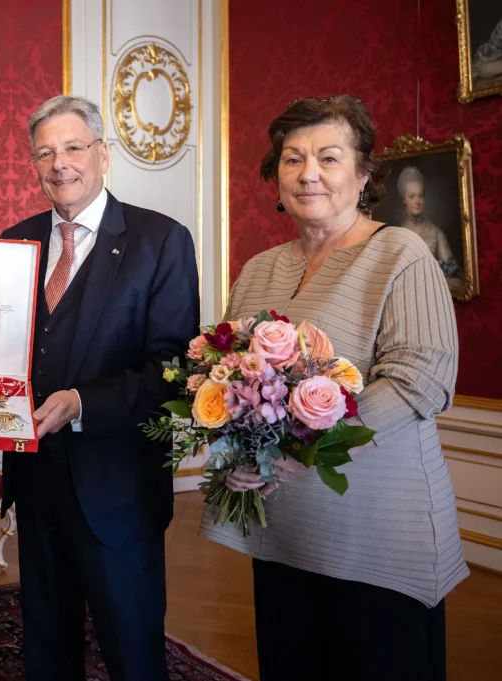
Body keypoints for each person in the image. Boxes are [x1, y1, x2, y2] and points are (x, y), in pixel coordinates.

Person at [202, 95, 468, 681]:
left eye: (328, 156)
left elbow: (419, 379)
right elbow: (230, 378)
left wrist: (304, 449)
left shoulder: (401, 252)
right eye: (292, 159)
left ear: (364, 173)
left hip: (379, 538)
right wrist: (241, 456)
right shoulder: (259, 268)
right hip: (285, 535)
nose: (309, 173)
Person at [0, 95, 200, 681]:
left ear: (103, 154)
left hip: (118, 488)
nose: (59, 163)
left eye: (72, 147)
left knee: (131, 648)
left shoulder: (160, 240)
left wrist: (83, 403)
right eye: (44, 152)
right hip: (37, 480)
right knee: (45, 642)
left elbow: (174, 370)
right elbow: (13, 356)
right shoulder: (16, 243)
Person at [396, 165, 465, 296]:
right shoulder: (398, 235)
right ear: (404, 199)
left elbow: (455, 278)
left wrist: (429, 279)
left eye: (420, 196)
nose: (417, 201)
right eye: (412, 196)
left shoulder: (435, 232)